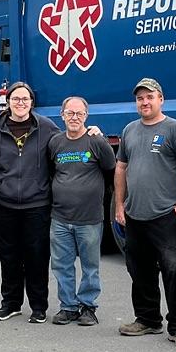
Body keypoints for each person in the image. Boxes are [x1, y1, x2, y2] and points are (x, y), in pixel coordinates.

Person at [114, 78, 176, 349]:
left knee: (174, 269)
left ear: (161, 99)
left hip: (165, 215)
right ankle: (148, 319)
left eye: (149, 97)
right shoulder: (129, 130)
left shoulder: (175, 129)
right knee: (139, 270)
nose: (144, 102)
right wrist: (119, 205)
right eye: (140, 98)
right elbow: (121, 168)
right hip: (136, 214)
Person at [0, 82, 61, 323]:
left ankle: (38, 307)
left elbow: (61, 157)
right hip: (2, 205)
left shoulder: (46, 128)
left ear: (32, 103)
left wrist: (91, 133)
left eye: (25, 99)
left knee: (37, 256)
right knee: (9, 256)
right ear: (9, 102)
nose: (21, 103)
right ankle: (11, 303)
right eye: (16, 99)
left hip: (36, 205)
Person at [47, 96, 116, 327]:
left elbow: (111, 170)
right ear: (62, 115)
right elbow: (50, 172)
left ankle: (88, 307)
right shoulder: (56, 143)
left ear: (86, 116)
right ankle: (68, 307)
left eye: (79, 114)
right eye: (70, 113)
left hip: (89, 219)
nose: (74, 117)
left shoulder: (96, 141)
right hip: (60, 218)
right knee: (62, 265)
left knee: (90, 266)